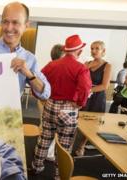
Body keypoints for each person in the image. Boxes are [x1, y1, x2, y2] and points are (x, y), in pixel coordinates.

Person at [31, 34, 92, 177]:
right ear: (80, 51)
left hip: (50, 104)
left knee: (45, 138)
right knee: (64, 145)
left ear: (66, 50)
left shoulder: (52, 65)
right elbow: (85, 88)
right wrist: (79, 104)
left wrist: (40, 97)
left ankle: (36, 167)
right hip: (68, 109)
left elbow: (36, 81)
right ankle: (59, 175)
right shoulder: (81, 68)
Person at [75, 40, 112, 156]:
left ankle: (81, 146)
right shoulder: (86, 63)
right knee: (77, 121)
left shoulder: (107, 65)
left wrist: (88, 90)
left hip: (97, 98)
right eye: (92, 48)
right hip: (84, 96)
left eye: (97, 48)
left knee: (91, 124)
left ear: (103, 51)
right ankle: (69, 144)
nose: (94, 51)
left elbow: (104, 86)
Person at [37, 43, 65, 162]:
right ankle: (48, 154)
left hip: (44, 101)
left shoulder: (47, 66)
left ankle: (41, 153)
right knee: (53, 130)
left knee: (45, 128)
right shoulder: (60, 68)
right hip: (52, 103)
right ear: (62, 55)